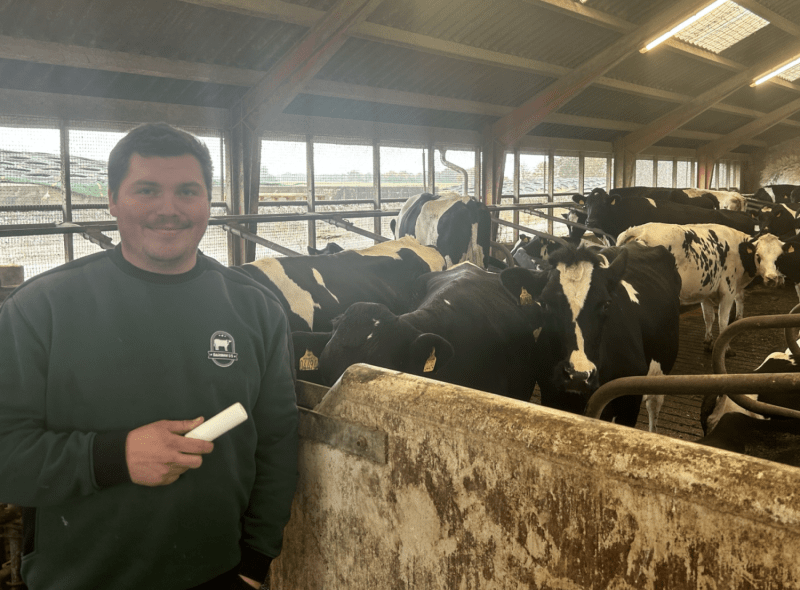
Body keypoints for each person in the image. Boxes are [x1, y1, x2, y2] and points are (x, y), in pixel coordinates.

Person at [0, 122, 299, 589]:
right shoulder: (41, 309)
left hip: (217, 574)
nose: (169, 209)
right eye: (146, 190)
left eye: (187, 191)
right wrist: (112, 457)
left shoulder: (256, 309)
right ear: (112, 200)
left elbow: (277, 440)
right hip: (80, 578)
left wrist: (256, 560)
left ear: (208, 201)